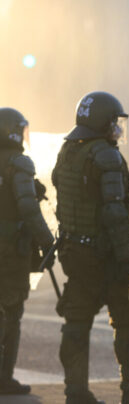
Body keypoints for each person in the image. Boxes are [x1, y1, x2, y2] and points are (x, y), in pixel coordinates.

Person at [51, 92, 129, 404]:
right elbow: (115, 212)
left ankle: (75, 392)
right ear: (102, 123)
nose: (118, 129)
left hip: (76, 254)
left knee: (76, 323)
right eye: (115, 123)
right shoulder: (106, 155)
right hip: (106, 256)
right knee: (128, 323)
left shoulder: (67, 152)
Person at [0, 108, 54, 396]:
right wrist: (47, 241)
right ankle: (3, 378)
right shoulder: (18, 164)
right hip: (10, 254)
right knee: (11, 313)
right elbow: (28, 209)